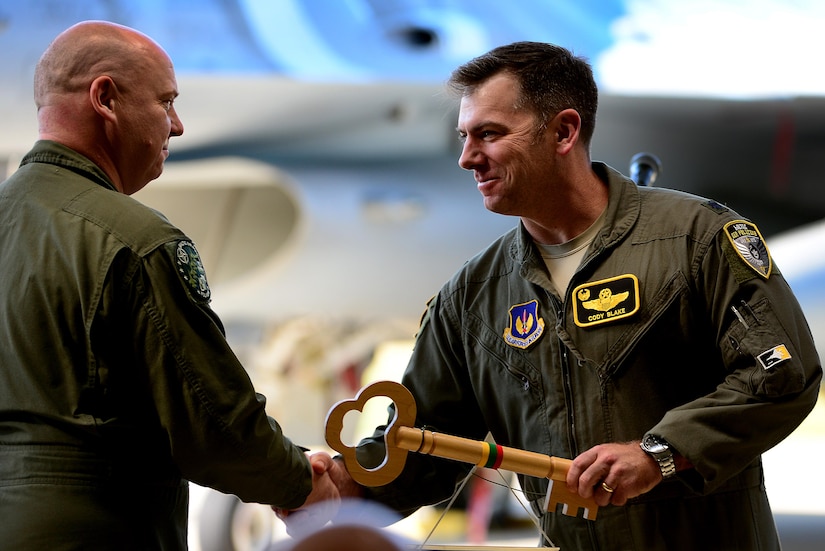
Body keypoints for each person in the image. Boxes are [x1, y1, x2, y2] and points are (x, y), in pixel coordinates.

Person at [290, 42, 823, 549]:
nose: (467, 158)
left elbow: (780, 375)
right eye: (464, 137)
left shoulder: (697, 239)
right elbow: (428, 441)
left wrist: (659, 453)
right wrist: (346, 484)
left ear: (564, 131)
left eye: (489, 134)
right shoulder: (474, 295)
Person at [0, 21, 337, 550]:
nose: (176, 126)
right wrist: (299, 480)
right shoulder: (134, 240)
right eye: (165, 102)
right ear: (105, 98)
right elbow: (212, 420)